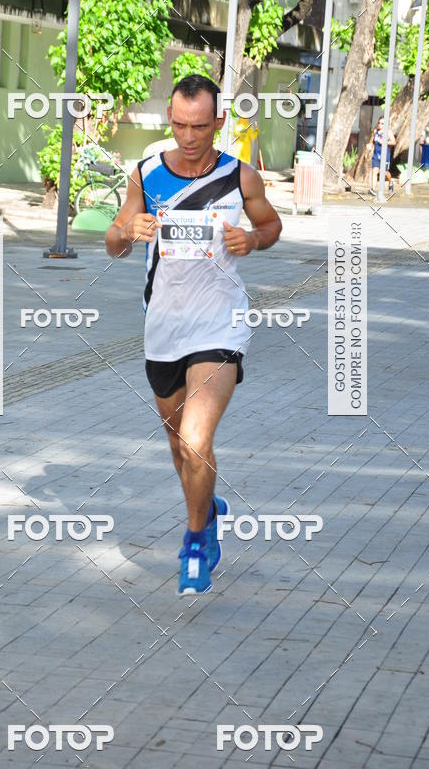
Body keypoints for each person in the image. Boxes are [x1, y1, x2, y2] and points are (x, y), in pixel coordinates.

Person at [105, 75, 282, 595]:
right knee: (181, 448)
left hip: (219, 324)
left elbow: (270, 226)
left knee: (197, 439)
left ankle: (195, 539)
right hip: (162, 326)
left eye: (200, 126)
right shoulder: (144, 175)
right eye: (179, 125)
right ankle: (208, 507)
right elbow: (113, 241)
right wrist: (126, 232)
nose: (188, 137)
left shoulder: (240, 178)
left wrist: (251, 238)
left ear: (219, 122)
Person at [369, 117, 395, 194]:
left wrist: (385, 142)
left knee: (385, 172)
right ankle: (373, 189)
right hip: (376, 155)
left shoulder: (388, 132)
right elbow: (373, 142)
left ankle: (390, 183)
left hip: (384, 155)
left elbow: (393, 142)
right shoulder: (375, 132)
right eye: (379, 123)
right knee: (374, 170)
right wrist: (370, 146)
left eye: (382, 123)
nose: (380, 124)